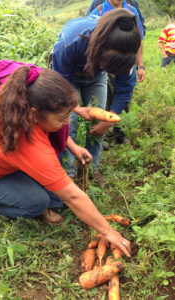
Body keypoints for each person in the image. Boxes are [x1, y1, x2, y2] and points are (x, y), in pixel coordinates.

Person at [0, 60, 131, 257]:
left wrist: (73, 146)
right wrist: (108, 232)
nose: (65, 124)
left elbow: (66, 189)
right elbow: (72, 196)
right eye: (62, 119)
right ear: (35, 114)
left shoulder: (20, 96)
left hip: (0, 163)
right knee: (39, 202)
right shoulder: (23, 139)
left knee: (56, 196)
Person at [52, 9, 141, 182]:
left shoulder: (127, 51)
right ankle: (68, 175)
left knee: (98, 125)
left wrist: (107, 121)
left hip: (97, 77)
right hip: (68, 78)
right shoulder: (72, 41)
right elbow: (59, 81)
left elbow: (124, 89)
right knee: (69, 125)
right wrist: (76, 108)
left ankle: (93, 169)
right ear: (100, 50)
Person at [88, 0, 146, 147]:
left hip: (125, 59)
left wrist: (140, 65)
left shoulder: (132, 10)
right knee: (105, 96)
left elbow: (138, 41)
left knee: (124, 96)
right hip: (105, 62)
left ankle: (120, 132)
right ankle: (103, 134)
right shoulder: (99, 10)